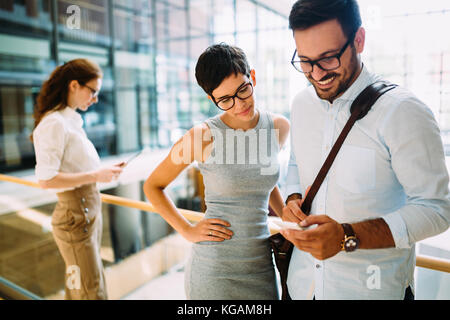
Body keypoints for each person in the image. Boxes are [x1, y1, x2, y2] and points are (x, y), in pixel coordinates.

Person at [280, 0, 450, 300]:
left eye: (328, 58)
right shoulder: (301, 104)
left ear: (359, 40)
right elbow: (297, 162)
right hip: (301, 287)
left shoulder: (403, 112)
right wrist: (293, 197)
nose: (316, 74)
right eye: (305, 61)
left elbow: (437, 208)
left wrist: (347, 236)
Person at [143, 43, 290, 299]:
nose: (238, 104)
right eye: (225, 99)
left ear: (252, 77)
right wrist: (187, 229)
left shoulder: (278, 127)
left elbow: (263, 178)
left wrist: (287, 217)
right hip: (214, 270)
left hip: (261, 267)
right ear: (212, 99)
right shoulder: (201, 137)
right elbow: (152, 186)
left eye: (243, 90)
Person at [32, 59, 124, 300]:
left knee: (80, 287)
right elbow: (46, 180)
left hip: (86, 212)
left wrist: (101, 171)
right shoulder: (54, 123)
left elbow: (75, 166)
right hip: (76, 215)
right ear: (74, 85)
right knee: (90, 290)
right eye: (92, 91)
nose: (95, 99)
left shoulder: (70, 120)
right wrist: (95, 175)